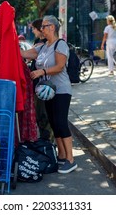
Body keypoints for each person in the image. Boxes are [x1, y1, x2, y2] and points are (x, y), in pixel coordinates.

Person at [21, 15, 77, 174]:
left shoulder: (60, 45)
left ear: (52, 27)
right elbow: (24, 54)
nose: (42, 29)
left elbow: (59, 67)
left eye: (44, 26)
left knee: (60, 122)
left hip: (61, 90)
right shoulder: (43, 47)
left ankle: (70, 160)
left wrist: (42, 71)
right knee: (53, 123)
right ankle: (61, 155)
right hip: (48, 92)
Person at [29, 18, 53, 141]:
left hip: (45, 85)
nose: (32, 31)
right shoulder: (39, 42)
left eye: (34, 28)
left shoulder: (46, 44)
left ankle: (48, 143)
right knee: (39, 114)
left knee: (45, 114)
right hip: (38, 84)